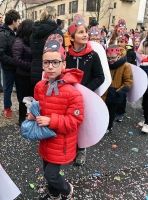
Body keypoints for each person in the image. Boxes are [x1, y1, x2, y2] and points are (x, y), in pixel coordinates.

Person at [31, 33, 84, 200]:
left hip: (61, 142)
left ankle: (67, 189)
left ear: (64, 64)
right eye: (47, 62)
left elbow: (75, 121)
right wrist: (33, 115)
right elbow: (38, 107)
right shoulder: (40, 86)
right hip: (45, 138)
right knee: (46, 167)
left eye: (55, 62)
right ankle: (54, 194)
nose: (50, 67)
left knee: (51, 175)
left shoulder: (73, 93)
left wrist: (51, 120)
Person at [66, 14, 104, 166]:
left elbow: (100, 77)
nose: (85, 35)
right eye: (81, 32)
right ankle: (69, 148)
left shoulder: (93, 55)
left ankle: (81, 149)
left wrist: (84, 91)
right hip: (67, 96)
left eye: (86, 32)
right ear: (72, 37)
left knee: (82, 123)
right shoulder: (65, 55)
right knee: (69, 122)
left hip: (85, 97)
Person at [102, 45, 133, 133]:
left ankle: (109, 126)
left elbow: (128, 80)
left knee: (111, 112)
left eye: (113, 58)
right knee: (103, 110)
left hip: (115, 93)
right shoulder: (105, 64)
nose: (110, 60)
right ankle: (102, 125)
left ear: (119, 55)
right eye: (108, 58)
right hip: (104, 92)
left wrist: (119, 91)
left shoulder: (126, 66)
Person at [30, 6, 64, 87]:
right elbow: (61, 55)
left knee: (38, 96)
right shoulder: (57, 33)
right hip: (51, 71)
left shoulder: (33, 33)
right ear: (55, 16)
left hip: (35, 70)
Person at [0, 10, 21, 118]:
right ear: (13, 21)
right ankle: (7, 108)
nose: (19, 23)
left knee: (20, 88)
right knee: (8, 89)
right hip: (9, 68)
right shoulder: (2, 35)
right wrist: (15, 61)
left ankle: (23, 107)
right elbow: (0, 55)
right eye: (18, 21)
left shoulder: (15, 33)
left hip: (18, 67)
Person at [12, 19, 34, 126]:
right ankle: (21, 119)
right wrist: (31, 66)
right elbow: (17, 60)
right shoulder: (19, 42)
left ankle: (31, 116)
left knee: (32, 97)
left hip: (31, 75)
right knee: (23, 99)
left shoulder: (31, 41)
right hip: (22, 75)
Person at [114, 30, 136, 122]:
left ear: (126, 42)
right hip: (116, 74)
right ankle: (115, 110)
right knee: (115, 93)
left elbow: (133, 65)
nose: (119, 44)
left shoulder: (131, 52)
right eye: (118, 41)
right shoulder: (115, 50)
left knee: (122, 95)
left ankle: (121, 112)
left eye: (121, 42)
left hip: (126, 74)